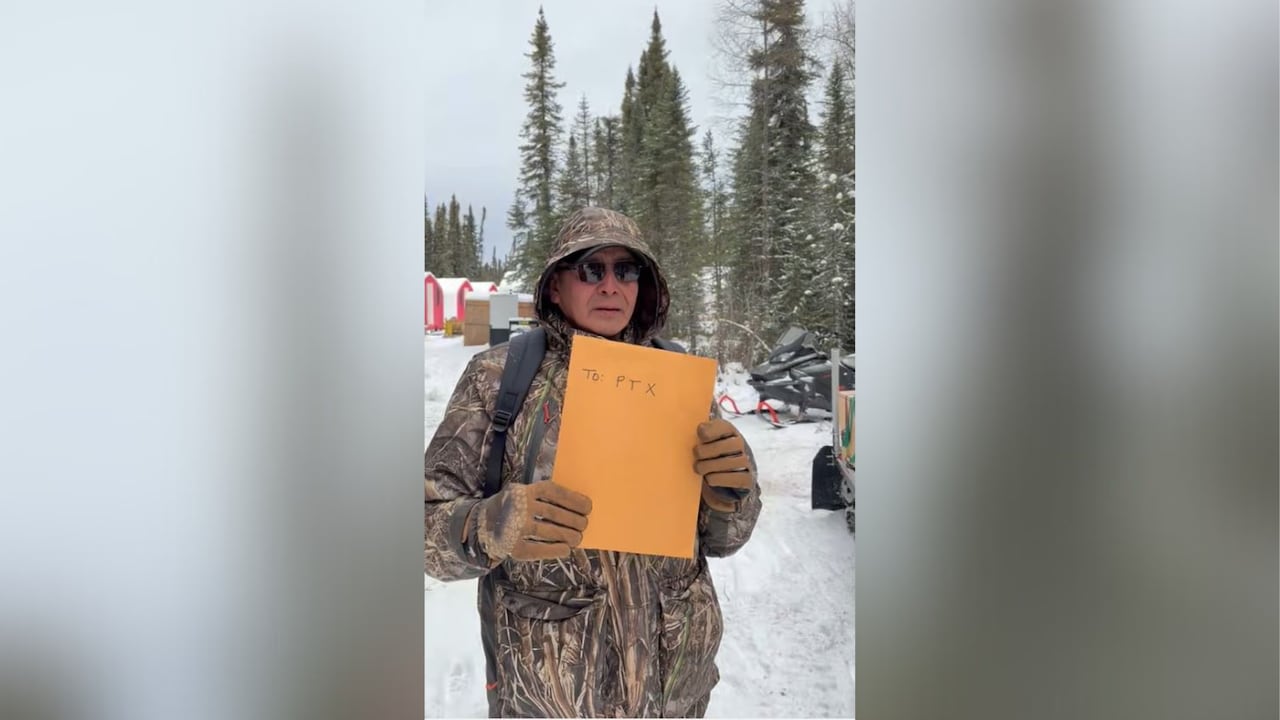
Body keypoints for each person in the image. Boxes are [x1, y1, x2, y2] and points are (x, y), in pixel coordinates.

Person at [424, 207, 762, 718]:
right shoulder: (498, 378)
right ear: (556, 287)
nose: (610, 285)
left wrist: (731, 496)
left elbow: (723, 539)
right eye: (590, 269)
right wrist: (491, 524)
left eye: (626, 271)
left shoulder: (678, 380)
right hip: (552, 697)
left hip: (674, 694)